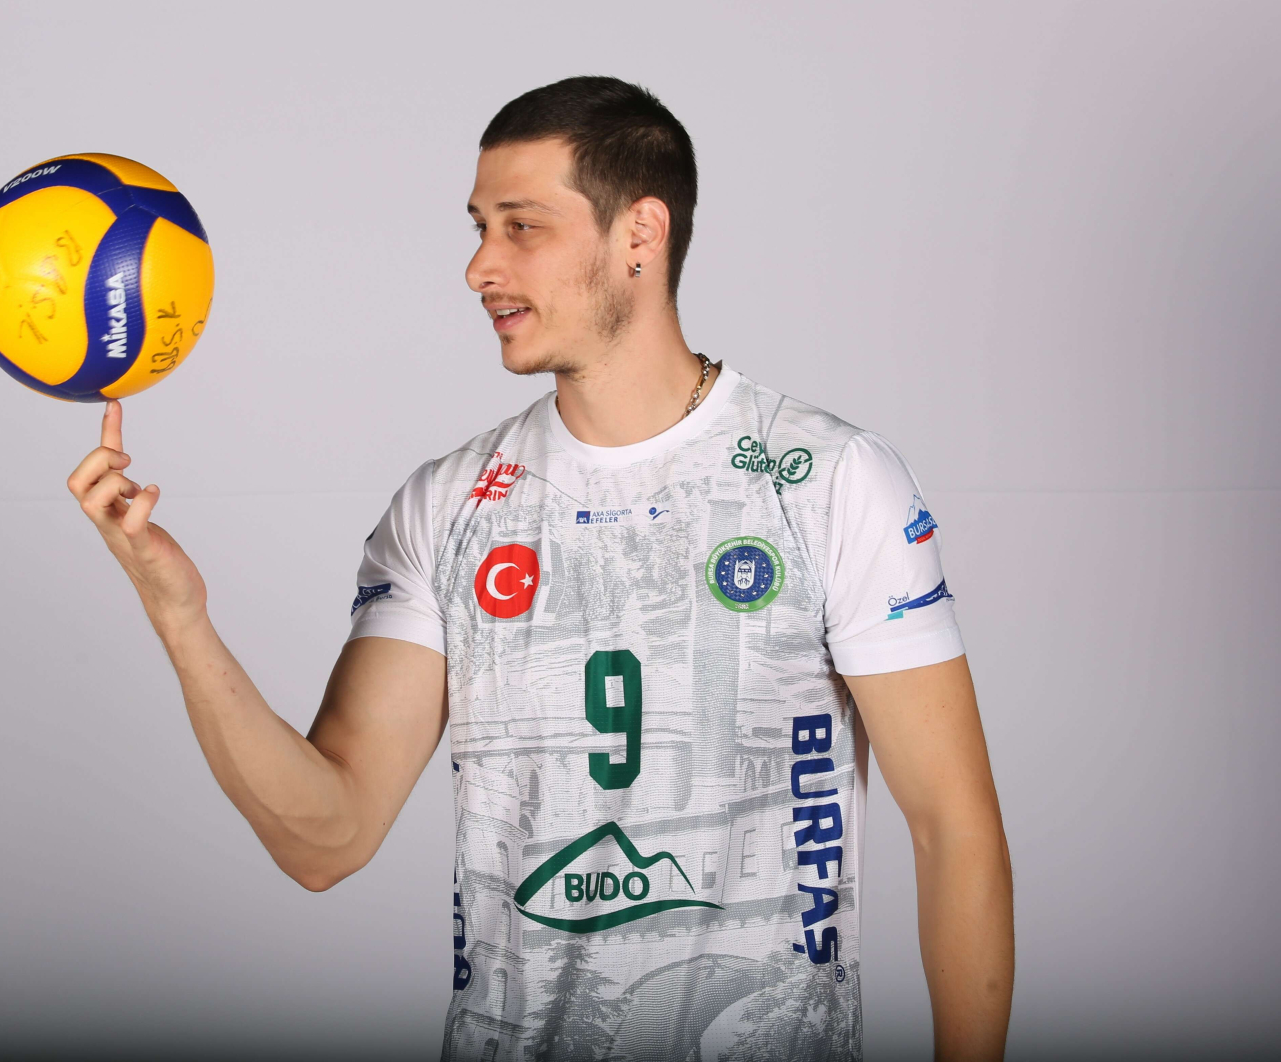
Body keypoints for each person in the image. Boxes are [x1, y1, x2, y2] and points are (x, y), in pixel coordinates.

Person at [67, 76, 1013, 1062]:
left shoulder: (826, 478)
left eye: (520, 227)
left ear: (640, 233)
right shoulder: (445, 504)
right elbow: (324, 840)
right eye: (480, 227)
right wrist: (179, 614)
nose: (479, 266)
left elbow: (954, 829)